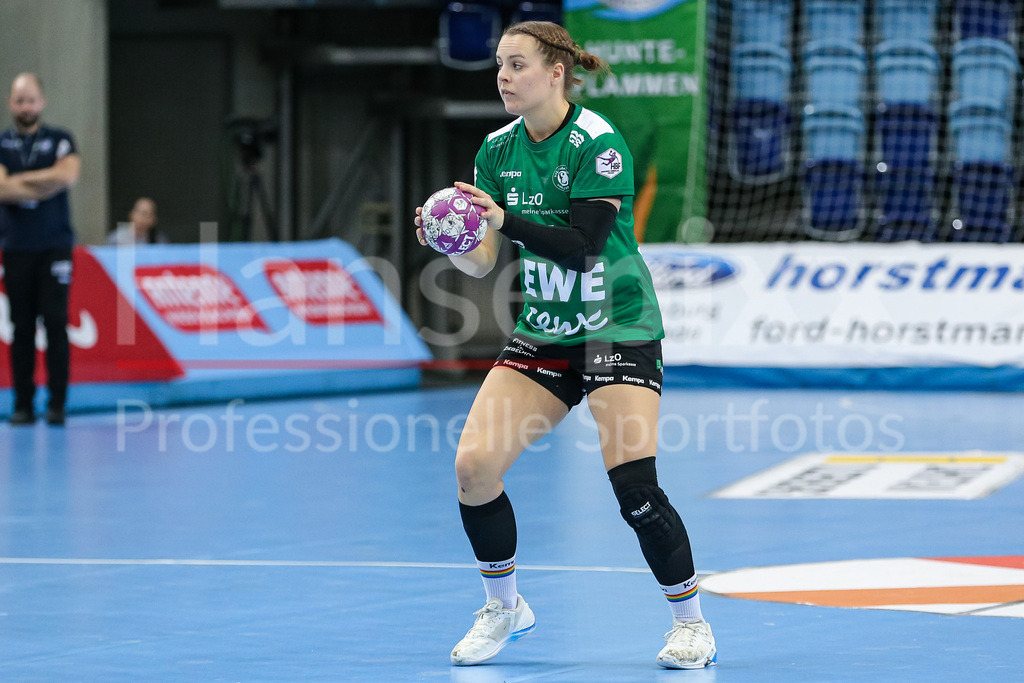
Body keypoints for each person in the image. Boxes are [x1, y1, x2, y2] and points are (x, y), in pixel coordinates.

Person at [414, 21, 716, 669]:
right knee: (474, 468)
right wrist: (454, 238)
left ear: (556, 72)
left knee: (635, 489)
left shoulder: (596, 142)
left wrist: (503, 219)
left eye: (517, 64)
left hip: (615, 328)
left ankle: (691, 624)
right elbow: (483, 262)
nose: (504, 77)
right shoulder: (496, 150)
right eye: (500, 65)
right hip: (545, 333)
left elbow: (583, 248)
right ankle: (504, 607)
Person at [0, 73, 81, 426]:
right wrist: (45, 182)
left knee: (56, 322)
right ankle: (23, 404)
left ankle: (57, 404)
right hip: (16, 246)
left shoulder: (61, 139)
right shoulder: (2, 143)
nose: (26, 107)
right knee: (21, 327)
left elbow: (67, 177)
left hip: (54, 246)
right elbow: (0, 190)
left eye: (31, 100)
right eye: (20, 100)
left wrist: (18, 182)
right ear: (10, 103)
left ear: (42, 102)